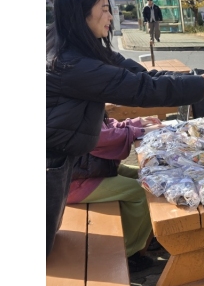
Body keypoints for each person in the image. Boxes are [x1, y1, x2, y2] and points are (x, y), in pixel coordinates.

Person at [47, 0, 204, 257]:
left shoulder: (72, 42)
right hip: (52, 166)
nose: (110, 16)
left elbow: (135, 75)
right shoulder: (71, 64)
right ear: (81, 13)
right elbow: (141, 90)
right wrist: (200, 86)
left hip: (68, 161)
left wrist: (194, 79)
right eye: (105, 9)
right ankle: (129, 256)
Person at [69, 116, 164, 272]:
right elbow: (100, 138)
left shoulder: (79, 100)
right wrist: (139, 130)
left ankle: (150, 233)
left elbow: (106, 127)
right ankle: (130, 253)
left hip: (90, 168)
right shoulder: (73, 105)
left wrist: (138, 122)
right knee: (142, 192)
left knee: (148, 175)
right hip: (77, 181)